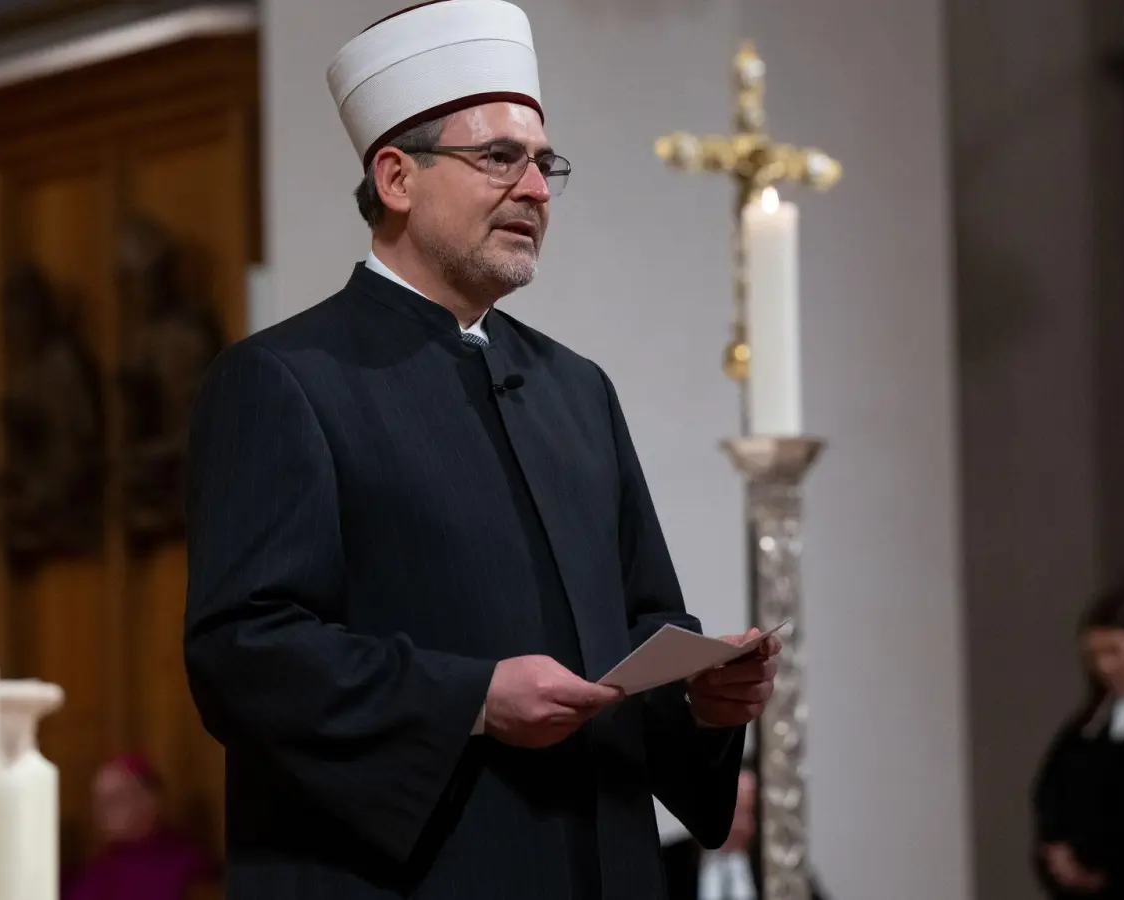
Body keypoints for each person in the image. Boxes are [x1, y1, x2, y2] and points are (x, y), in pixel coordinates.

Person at [182, 2, 776, 897]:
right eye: (500, 158)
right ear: (395, 177)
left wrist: (699, 698)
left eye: (545, 163)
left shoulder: (577, 390)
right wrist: (470, 700)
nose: (536, 189)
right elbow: (245, 654)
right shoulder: (286, 380)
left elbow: (646, 623)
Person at [1030, 581, 1124, 900]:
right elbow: (1049, 792)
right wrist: (1056, 850)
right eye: (1094, 655)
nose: (1104, 666)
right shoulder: (1084, 727)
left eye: (1115, 652)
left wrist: (1112, 874)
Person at [63, 755, 218, 900]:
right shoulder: (101, 865)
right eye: (98, 803)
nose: (100, 813)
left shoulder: (189, 865)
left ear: (150, 801)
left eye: (113, 801)